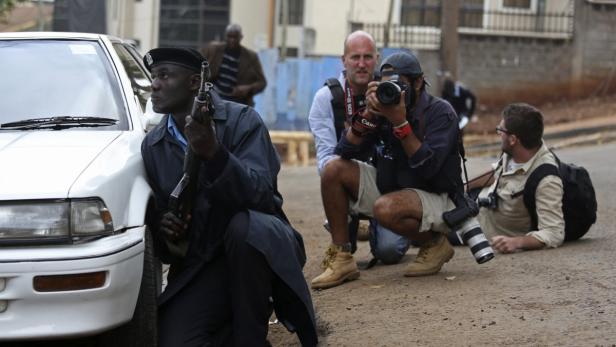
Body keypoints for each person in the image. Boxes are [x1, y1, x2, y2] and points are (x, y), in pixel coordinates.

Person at [141, 47, 317, 346]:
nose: (154, 84)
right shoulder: (153, 145)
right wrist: (166, 228)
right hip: (204, 263)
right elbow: (167, 241)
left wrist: (215, 154)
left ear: (195, 83)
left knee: (242, 228)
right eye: (154, 76)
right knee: (176, 340)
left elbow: (261, 195)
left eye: (165, 75)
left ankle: (251, 337)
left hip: (261, 249)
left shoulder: (242, 121)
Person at [311, 51, 479, 290]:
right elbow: (344, 151)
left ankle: (434, 244)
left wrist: (400, 123)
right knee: (333, 169)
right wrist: (369, 114)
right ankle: (342, 257)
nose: (393, 91)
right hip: (392, 188)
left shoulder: (440, 112)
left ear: (418, 82)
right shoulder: (381, 109)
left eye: (400, 85)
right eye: (387, 85)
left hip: (435, 195)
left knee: (385, 214)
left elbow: (429, 167)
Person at [308, 31, 411, 267]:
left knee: (389, 251)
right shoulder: (326, 99)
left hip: (388, 183)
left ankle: (393, 225)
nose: (362, 64)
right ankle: (347, 234)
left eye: (367, 57)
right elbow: (325, 163)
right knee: (332, 169)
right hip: (351, 180)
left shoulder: (392, 92)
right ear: (343, 60)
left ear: (377, 58)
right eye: (355, 57)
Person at [469, 103, 565, 253]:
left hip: (481, 230)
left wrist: (517, 242)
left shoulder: (547, 180)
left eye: (500, 130)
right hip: (477, 208)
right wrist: (464, 186)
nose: (499, 134)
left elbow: (553, 233)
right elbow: (496, 173)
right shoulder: (514, 153)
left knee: (427, 227)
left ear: (513, 139)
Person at [202, 23, 267, 106]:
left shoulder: (251, 57)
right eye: (229, 36)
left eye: (235, 37)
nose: (232, 40)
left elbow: (262, 82)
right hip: (213, 99)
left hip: (238, 103)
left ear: (241, 37)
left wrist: (248, 88)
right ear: (225, 36)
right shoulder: (214, 50)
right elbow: (199, 64)